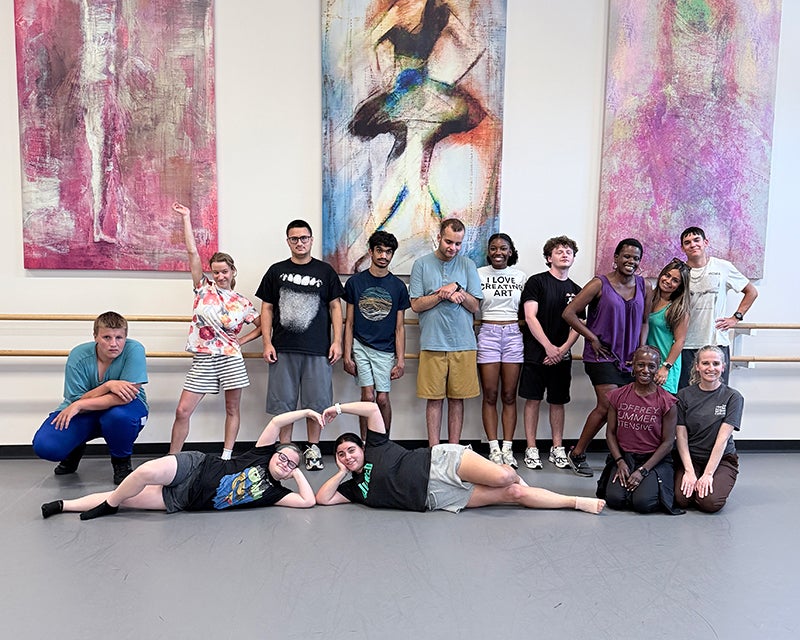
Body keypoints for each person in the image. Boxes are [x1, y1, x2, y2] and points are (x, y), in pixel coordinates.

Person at [314, 401, 605, 515]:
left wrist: (338, 409)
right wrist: (340, 472)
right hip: (437, 499)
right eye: (341, 454)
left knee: (505, 477)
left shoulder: (376, 446)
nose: (348, 456)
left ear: (362, 447)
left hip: (440, 462)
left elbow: (372, 409)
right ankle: (576, 503)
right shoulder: (353, 489)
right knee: (514, 493)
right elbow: (323, 498)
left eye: (351, 449)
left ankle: (505, 469)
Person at [40, 408, 318, 520]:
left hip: (183, 498)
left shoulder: (275, 494)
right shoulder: (260, 454)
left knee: (126, 497)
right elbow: (276, 422)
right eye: (282, 456)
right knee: (145, 472)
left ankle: (65, 505)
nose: (284, 463)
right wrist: (306, 412)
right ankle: (109, 507)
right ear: (272, 453)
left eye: (290, 464)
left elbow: (307, 502)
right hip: (194, 466)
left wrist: (297, 473)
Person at [168, 202, 262, 459]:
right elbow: (192, 253)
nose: (220, 276)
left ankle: (226, 456)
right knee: (182, 411)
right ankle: (172, 458)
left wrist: (241, 341)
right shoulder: (202, 288)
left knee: (232, 408)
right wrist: (187, 217)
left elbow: (264, 325)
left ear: (232, 272)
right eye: (216, 272)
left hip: (230, 358)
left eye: (224, 272)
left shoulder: (242, 302)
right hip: (204, 358)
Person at [256, 220, 345, 471]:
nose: (299, 243)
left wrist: (337, 341)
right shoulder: (276, 271)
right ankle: (285, 449)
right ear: (288, 241)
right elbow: (267, 308)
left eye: (304, 238)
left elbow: (336, 307)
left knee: (317, 403)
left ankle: (313, 449)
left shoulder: (325, 272)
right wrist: (266, 342)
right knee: (284, 404)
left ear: (311, 239)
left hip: (318, 348)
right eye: (294, 239)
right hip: (283, 347)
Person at [562, 238, 650, 477]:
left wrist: (641, 351)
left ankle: (619, 456)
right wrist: (592, 338)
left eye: (635, 258)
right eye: (626, 256)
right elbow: (569, 313)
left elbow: (644, 321)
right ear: (616, 258)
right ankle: (577, 453)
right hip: (601, 356)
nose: (630, 261)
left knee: (625, 407)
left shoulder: (644, 286)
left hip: (631, 357)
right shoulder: (599, 284)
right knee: (608, 404)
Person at [32, 311, 148, 484]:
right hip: (86, 410)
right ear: (95, 337)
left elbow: (125, 397)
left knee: (118, 417)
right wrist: (108, 386)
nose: (113, 344)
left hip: (124, 407)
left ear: (126, 337)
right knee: (46, 446)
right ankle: (75, 447)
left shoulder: (135, 350)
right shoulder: (78, 355)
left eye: (119, 337)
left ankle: (121, 463)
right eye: (106, 337)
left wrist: (79, 405)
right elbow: (76, 400)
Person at [409, 218, 483, 445]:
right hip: (433, 342)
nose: (453, 248)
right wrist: (442, 294)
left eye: (458, 244)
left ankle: (453, 449)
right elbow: (416, 305)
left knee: (457, 399)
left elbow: (475, 306)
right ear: (439, 237)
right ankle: (434, 449)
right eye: (449, 242)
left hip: (463, 343)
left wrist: (458, 288)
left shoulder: (468, 265)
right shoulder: (421, 264)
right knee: (434, 400)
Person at [519, 236, 582, 471]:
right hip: (537, 353)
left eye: (569, 251)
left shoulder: (577, 290)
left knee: (558, 401)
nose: (565, 254)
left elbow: (580, 323)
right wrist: (548, 347)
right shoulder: (537, 282)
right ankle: (532, 448)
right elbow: (530, 316)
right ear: (549, 258)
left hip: (561, 356)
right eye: (559, 251)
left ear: (574, 258)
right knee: (533, 399)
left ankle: (557, 448)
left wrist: (562, 350)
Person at [596, 347, 682, 514]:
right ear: (633, 366)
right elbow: (610, 433)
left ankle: (646, 487)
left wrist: (643, 471)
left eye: (651, 366)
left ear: (658, 368)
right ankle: (631, 487)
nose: (645, 370)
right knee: (615, 500)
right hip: (625, 457)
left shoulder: (667, 401)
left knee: (643, 504)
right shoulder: (617, 395)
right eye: (640, 365)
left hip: (653, 459)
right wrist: (620, 461)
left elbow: (668, 443)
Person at [343, 230, 411, 438]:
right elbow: (350, 322)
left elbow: (400, 327)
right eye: (379, 251)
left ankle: (383, 441)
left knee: (382, 398)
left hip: (385, 349)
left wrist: (400, 360)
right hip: (361, 345)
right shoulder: (355, 283)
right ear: (371, 252)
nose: (383, 256)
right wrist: (347, 355)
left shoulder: (398, 287)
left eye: (388, 252)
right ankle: (365, 443)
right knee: (367, 395)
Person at [678, 226, 758, 389]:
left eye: (696, 240)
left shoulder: (723, 267)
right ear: (682, 248)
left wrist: (736, 317)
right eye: (687, 242)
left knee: (716, 395)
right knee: (685, 395)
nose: (693, 245)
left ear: (705, 242)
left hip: (715, 343)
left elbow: (751, 292)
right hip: (685, 345)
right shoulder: (679, 271)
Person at [673, 345, 743, 513]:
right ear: (697, 366)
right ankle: (694, 479)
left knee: (708, 503)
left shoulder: (733, 397)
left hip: (722, 459)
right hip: (692, 458)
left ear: (723, 367)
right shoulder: (683, 395)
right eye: (705, 363)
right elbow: (681, 437)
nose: (711, 368)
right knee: (681, 500)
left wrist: (708, 474)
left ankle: (712, 482)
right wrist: (689, 471)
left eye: (716, 363)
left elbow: (722, 440)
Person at [475, 233, 526, 467]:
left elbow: (528, 312)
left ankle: (508, 448)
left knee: (509, 395)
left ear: (510, 251)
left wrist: (515, 326)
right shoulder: (478, 274)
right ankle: (493, 449)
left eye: (503, 248)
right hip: (488, 333)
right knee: (490, 394)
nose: (498, 252)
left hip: (513, 336)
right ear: (488, 251)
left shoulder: (520, 276)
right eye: (494, 248)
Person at [646, 257, 690, 394]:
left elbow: (680, 341)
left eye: (675, 280)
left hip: (665, 365)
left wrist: (665, 367)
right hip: (646, 363)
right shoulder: (648, 298)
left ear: (680, 286)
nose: (668, 281)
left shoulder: (678, 309)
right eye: (667, 275)